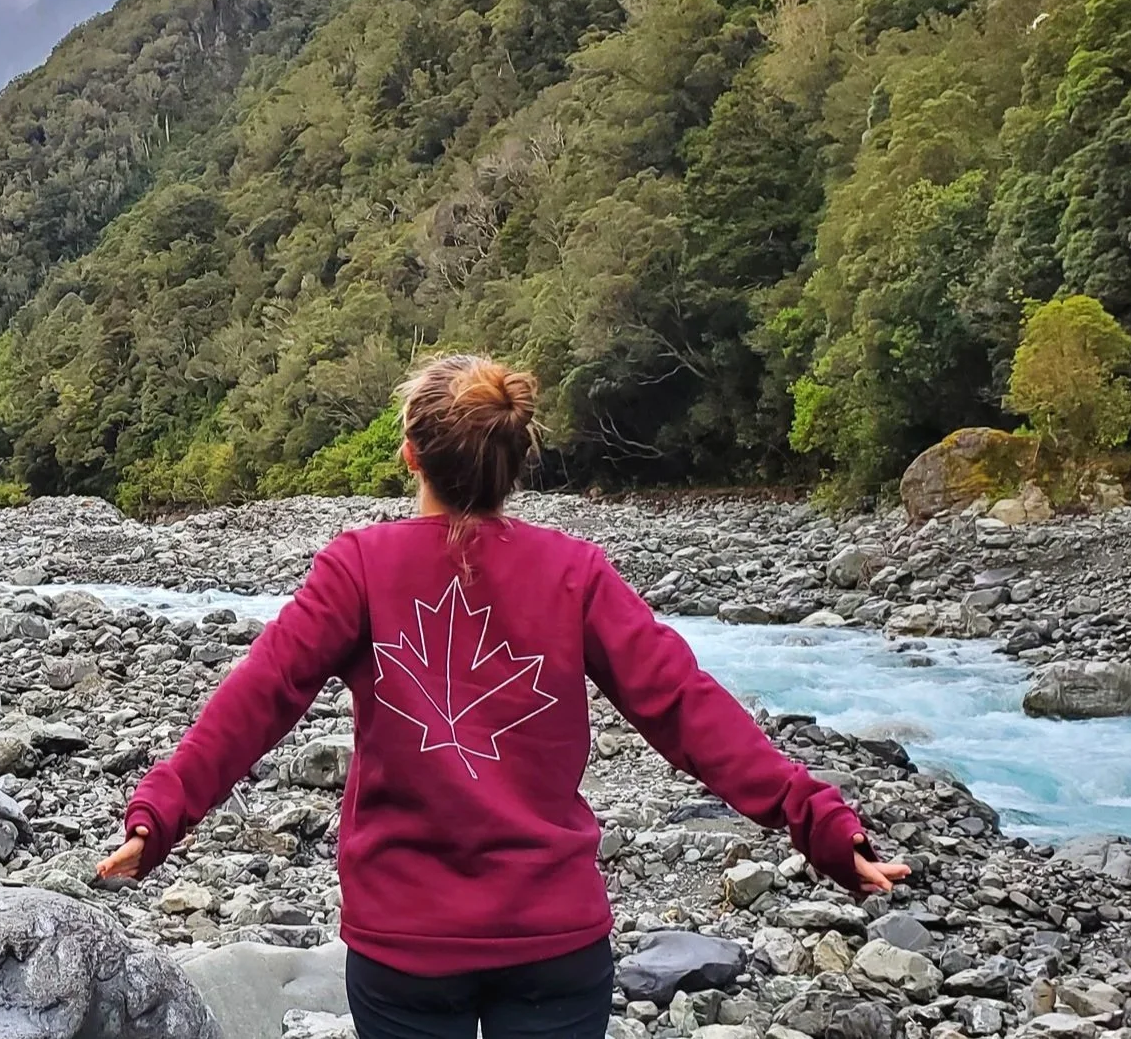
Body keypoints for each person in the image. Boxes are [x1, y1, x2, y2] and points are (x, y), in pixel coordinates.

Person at [98, 354, 910, 1039]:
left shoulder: (359, 566)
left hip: (405, 944)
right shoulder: (574, 572)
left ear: (410, 454)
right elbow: (685, 707)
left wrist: (161, 814)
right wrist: (820, 823)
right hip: (553, 943)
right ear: (515, 463)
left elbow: (260, 697)